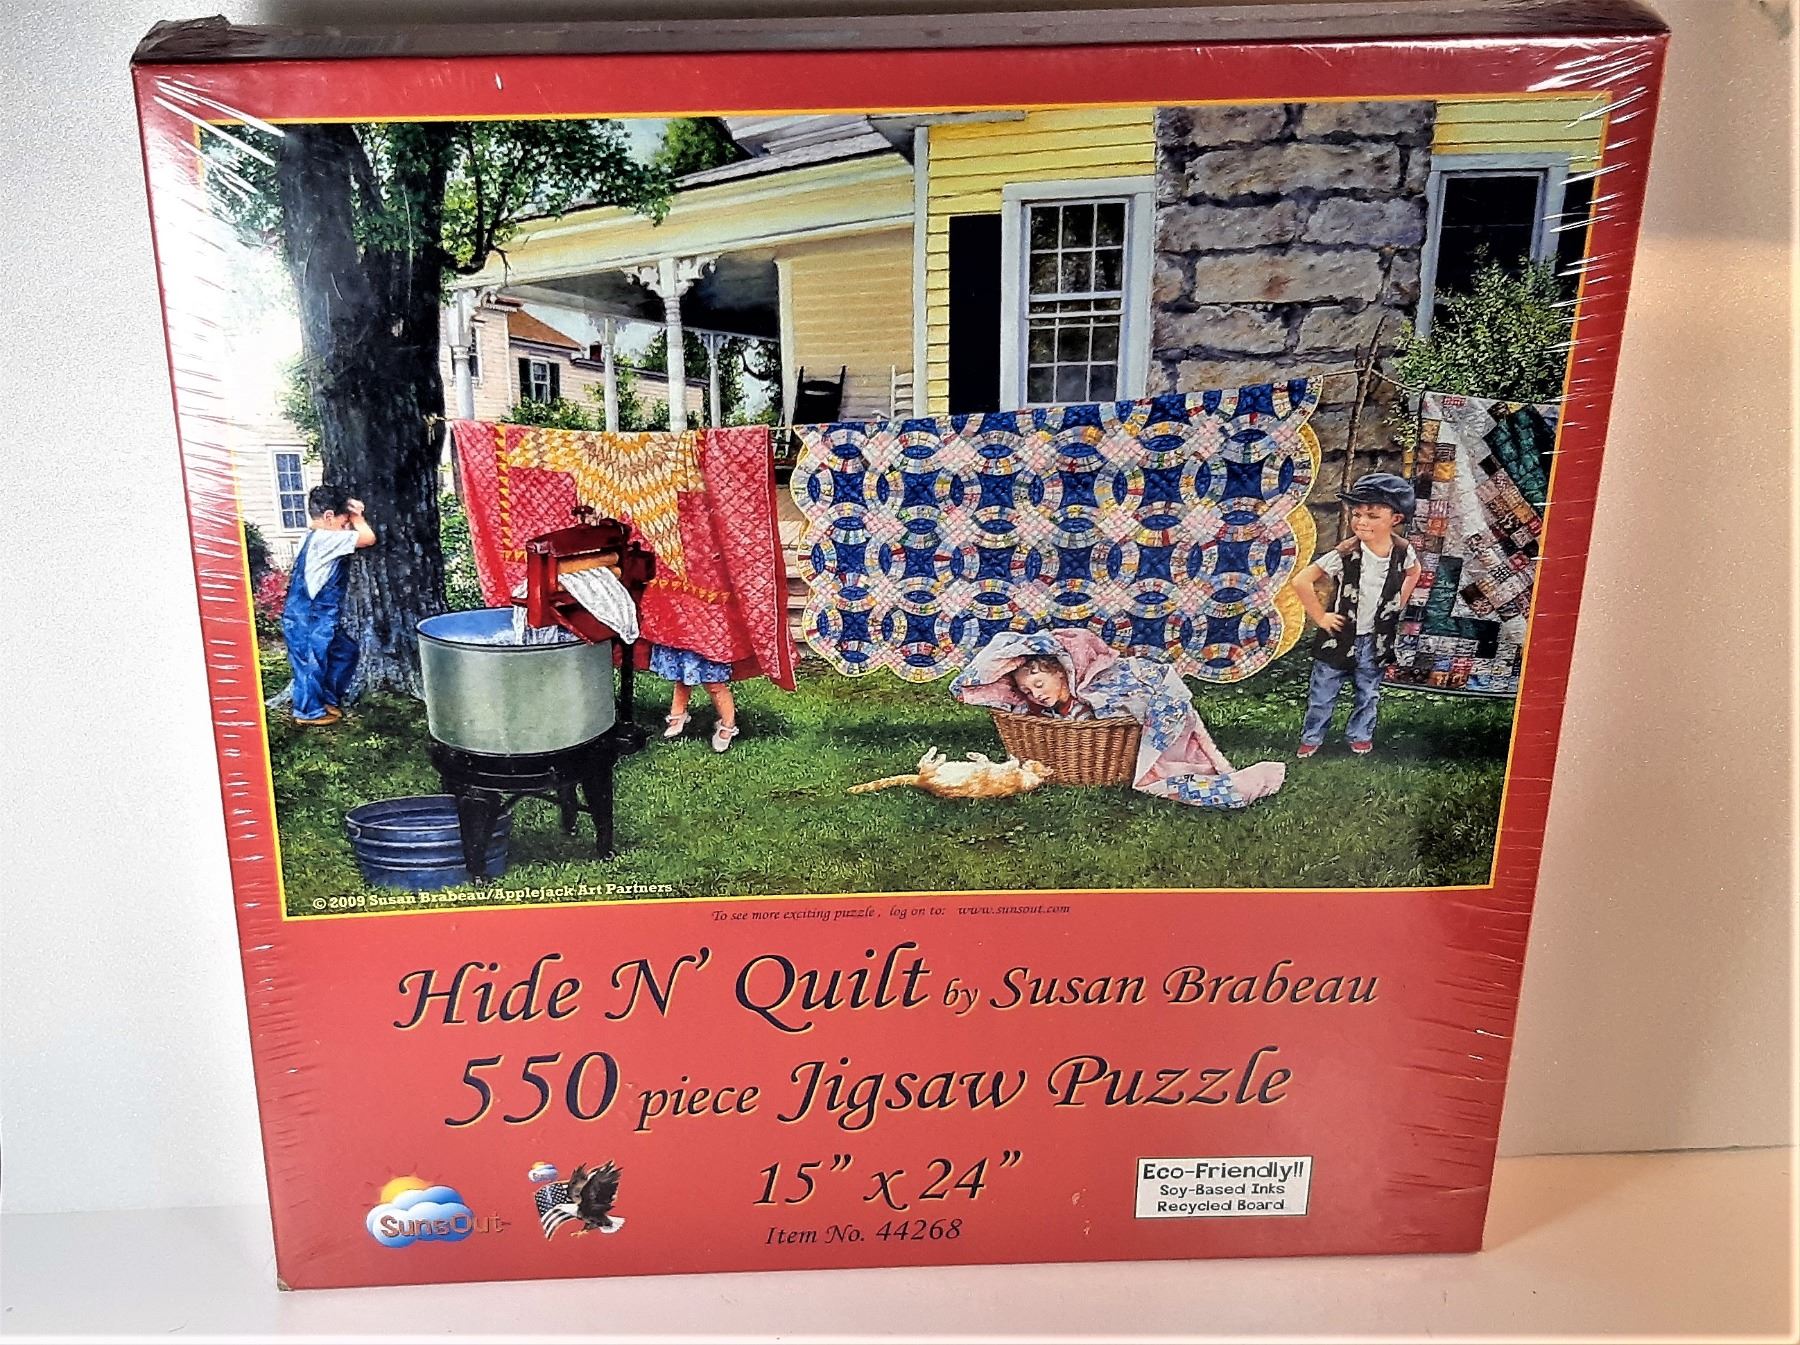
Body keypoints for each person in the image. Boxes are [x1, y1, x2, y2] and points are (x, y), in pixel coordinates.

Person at [953, 628, 1285, 809]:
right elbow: (1025, 709)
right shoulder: (1044, 712)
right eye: (1027, 691)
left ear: (1062, 673)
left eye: (1039, 685)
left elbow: (1107, 705)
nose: (1035, 694)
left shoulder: (1084, 702)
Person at [1291, 472, 1421, 758]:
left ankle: (1360, 735)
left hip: (1375, 639)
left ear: (1396, 519)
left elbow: (1414, 572)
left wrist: (1399, 601)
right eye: (1357, 514)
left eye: (1372, 516)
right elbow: (1301, 581)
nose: (1361, 522)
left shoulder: (1402, 551)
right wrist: (1321, 618)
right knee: (1323, 692)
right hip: (1338, 636)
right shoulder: (1345, 552)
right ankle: (1312, 738)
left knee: (1368, 692)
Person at [281, 485, 376, 727]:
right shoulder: (325, 539)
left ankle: (326, 699)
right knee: (310, 662)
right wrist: (357, 517)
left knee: (345, 651)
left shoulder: (310, 537)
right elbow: (368, 538)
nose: (346, 529)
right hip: (309, 616)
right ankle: (308, 711)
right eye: (344, 524)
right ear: (328, 517)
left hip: (319, 616)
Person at [653, 646, 739, 753]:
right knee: (682, 669)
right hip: (684, 637)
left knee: (713, 681)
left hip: (709, 640)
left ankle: (728, 723)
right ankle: (678, 712)